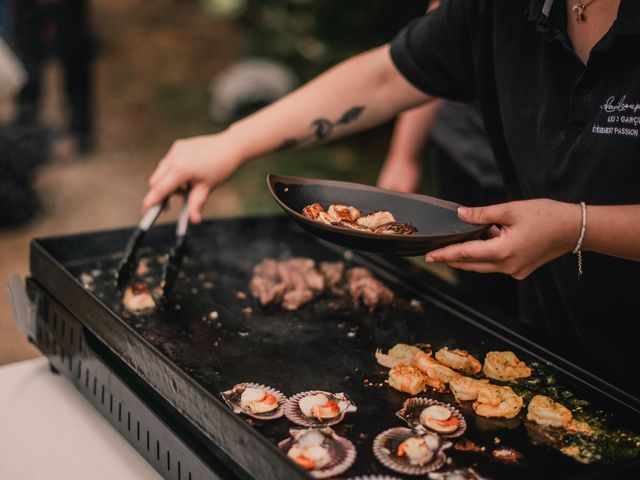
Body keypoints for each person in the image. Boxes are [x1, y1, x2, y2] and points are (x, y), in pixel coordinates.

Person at [143, 0, 640, 396]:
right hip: (561, 338)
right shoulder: (500, 8)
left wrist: (579, 227)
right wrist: (232, 143)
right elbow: (387, 75)